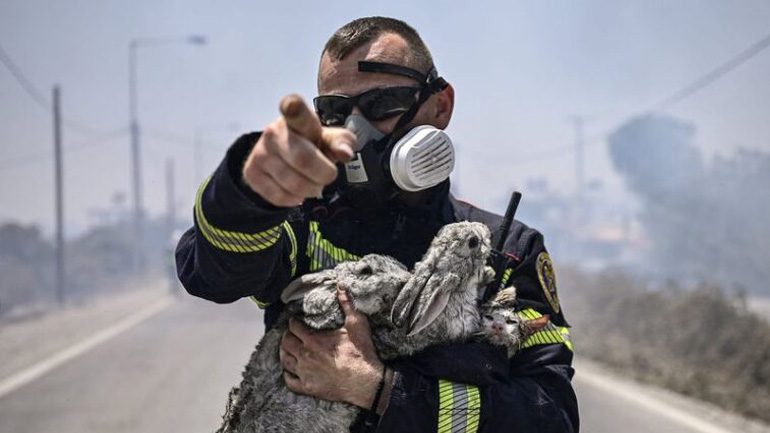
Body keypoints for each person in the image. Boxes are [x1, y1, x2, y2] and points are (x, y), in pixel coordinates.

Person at [176, 16, 578, 432]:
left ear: (440, 106)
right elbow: (211, 277)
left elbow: (551, 417)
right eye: (334, 111)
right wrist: (247, 196)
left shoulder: (502, 250)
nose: (355, 132)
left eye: (381, 105)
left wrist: (380, 389)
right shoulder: (302, 220)